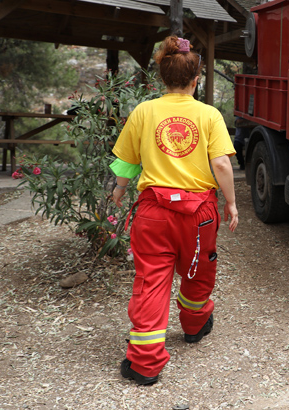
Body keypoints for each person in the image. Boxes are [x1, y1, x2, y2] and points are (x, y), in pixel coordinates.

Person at [110, 35, 238, 386]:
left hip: (153, 213)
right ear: (196, 79)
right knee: (198, 272)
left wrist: (120, 191)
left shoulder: (144, 111)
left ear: (162, 78)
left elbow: (126, 161)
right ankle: (195, 327)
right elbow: (223, 165)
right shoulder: (209, 115)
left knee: (152, 280)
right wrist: (230, 202)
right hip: (200, 215)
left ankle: (145, 363)